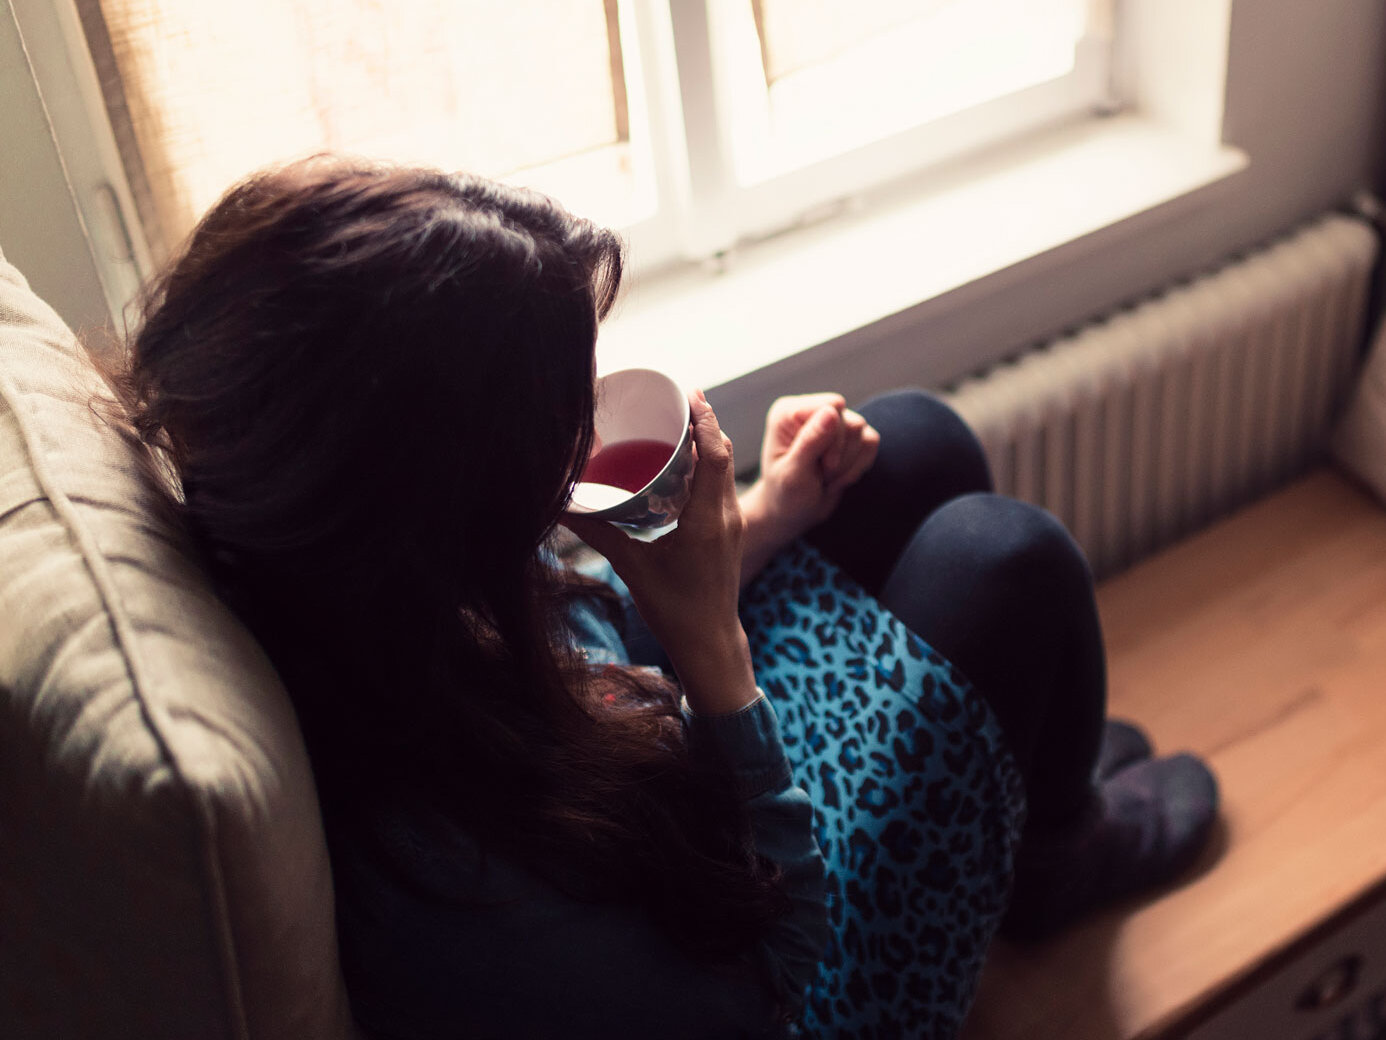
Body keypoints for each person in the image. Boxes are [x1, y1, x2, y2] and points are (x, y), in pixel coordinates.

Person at [101, 155, 1218, 1039]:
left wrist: (769, 513)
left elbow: (580, 643)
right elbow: (767, 985)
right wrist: (712, 643)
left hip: (655, 775)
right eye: (555, 419)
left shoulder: (364, 578)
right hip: (777, 949)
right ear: (447, 497)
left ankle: (1025, 797)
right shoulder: (458, 890)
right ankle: (1054, 851)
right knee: (1006, 558)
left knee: (914, 441)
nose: (582, 433)